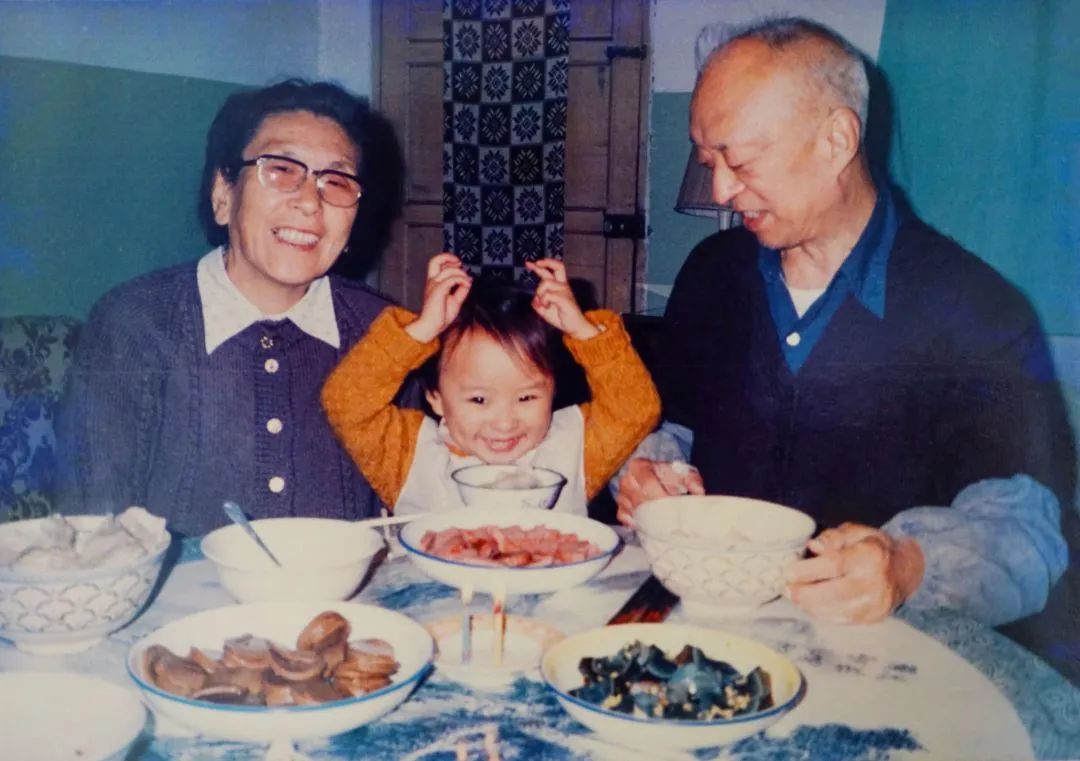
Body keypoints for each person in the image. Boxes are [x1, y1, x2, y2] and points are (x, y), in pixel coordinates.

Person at [616, 17, 1076, 634]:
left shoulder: (976, 309)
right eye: (708, 161)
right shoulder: (712, 275)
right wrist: (647, 474)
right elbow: (667, 425)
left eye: (740, 161)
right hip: (711, 632)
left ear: (837, 139)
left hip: (887, 652)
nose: (721, 190)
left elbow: (1030, 532)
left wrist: (909, 567)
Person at [57, 79, 403, 537]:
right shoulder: (134, 323)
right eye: (281, 169)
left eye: (335, 181)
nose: (309, 202)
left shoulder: (388, 333)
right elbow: (90, 534)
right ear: (224, 193)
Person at [321, 254, 660, 515]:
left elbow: (636, 409)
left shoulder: (575, 447)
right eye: (479, 400)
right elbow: (345, 402)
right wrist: (421, 330)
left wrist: (584, 332)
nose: (505, 422)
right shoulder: (406, 455)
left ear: (552, 389)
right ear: (435, 396)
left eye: (527, 397)